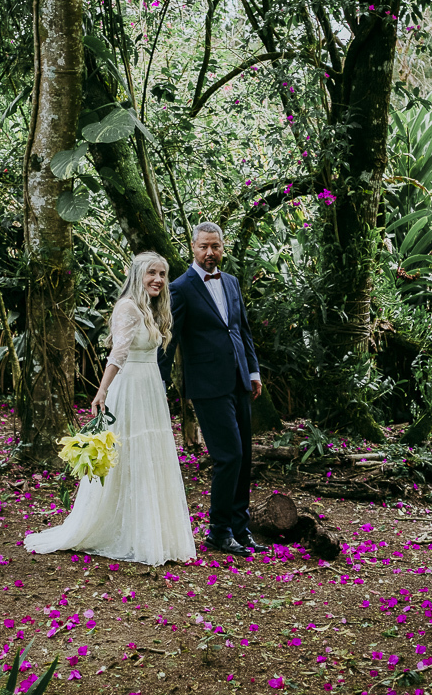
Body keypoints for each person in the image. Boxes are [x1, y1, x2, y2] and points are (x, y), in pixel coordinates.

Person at [24, 252, 195, 566]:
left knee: (149, 454)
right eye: (152, 273)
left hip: (150, 387)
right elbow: (118, 353)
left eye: (162, 274)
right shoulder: (127, 307)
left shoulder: (153, 310)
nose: (158, 279)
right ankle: (120, 529)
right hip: (129, 388)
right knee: (126, 453)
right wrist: (102, 391)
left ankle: (150, 533)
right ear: (138, 275)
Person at [159, 222, 266, 557]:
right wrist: (157, 384)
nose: (210, 253)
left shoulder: (232, 282)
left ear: (223, 247)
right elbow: (169, 339)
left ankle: (239, 528)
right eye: (204, 246)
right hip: (206, 385)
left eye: (215, 246)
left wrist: (253, 371)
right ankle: (218, 532)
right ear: (193, 247)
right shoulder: (180, 287)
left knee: (244, 456)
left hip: (239, 381)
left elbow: (241, 330)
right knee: (228, 455)